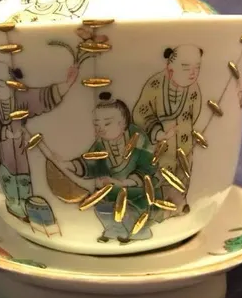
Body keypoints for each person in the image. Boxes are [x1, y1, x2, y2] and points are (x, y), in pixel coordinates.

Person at [39, 92, 161, 244]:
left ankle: (138, 232)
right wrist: (69, 165)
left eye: (107, 123)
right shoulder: (100, 144)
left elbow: (148, 167)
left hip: (137, 191)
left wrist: (124, 183)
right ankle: (114, 229)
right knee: (101, 205)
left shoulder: (138, 139)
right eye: (96, 124)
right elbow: (89, 163)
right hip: (111, 190)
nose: (100, 129)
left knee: (131, 210)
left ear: (123, 123)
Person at [0, 61, 78, 221]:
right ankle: (14, 208)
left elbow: (42, 97)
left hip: (20, 145)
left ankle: (26, 211)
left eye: (0, 82)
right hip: (1, 145)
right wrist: (5, 132)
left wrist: (67, 84)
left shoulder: (21, 94)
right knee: (7, 177)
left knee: (22, 178)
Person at [132, 45, 203, 215]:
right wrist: (157, 132)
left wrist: (185, 130)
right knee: (158, 178)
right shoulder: (155, 84)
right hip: (159, 145)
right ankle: (157, 212)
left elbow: (195, 113)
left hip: (184, 144)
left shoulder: (194, 89)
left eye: (197, 68)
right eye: (186, 68)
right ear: (170, 69)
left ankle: (177, 208)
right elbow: (141, 112)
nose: (193, 73)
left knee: (182, 174)